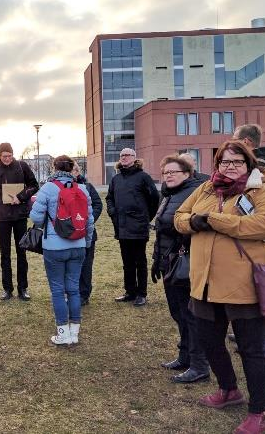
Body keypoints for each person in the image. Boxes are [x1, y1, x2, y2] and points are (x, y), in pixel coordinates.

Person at [174, 140, 265, 434]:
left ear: (248, 165)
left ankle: (259, 412)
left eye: (236, 162)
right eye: (224, 162)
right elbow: (179, 217)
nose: (230, 167)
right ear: (217, 164)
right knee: (209, 342)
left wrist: (217, 221)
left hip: (243, 284)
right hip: (205, 283)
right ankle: (228, 389)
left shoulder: (260, 191)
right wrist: (195, 221)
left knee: (251, 349)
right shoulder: (206, 188)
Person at [151, 155, 209, 383]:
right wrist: (157, 261)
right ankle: (184, 356)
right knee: (178, 314)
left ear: (187, 173)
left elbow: (193, 228)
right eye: (166, 173)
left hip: (187, 264)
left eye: (174, 172)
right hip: (169, 262)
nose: (169, 176)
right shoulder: (168, 195)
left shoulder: (193, 194)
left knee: (191, 315)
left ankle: (199, 365)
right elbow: (159, 232)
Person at [30, 155, 94, 345]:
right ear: (71, 168)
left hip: (54, 248)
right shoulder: (82, 188)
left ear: (54, 168)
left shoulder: (48, 188)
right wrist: (87, 242)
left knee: (58, 291)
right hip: (79, 246)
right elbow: (89, 221)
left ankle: (62, 333)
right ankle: (74, 333)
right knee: (73, 289)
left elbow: (35, 217)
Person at [232, 124, 265, 355]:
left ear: (247, 142)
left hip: (259, 241)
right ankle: (254, 334)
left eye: (235, 140)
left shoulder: (258, 170)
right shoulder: (252, 167)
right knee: (252, 289)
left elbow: (258, 204)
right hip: (246, 240)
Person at [106, 148, 159, 306]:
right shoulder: (116, 179)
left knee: (139, 261)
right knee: (127, 261)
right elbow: (109, 197)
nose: (124, 157)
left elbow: (154, 198)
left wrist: (146, 216)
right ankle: (130, 291)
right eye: (122, 155)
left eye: (127, 155)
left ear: (134, 158)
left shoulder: (143, 177)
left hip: (138, 227)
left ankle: (141, 294)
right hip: (121, 226)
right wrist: (112, 211)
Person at [0, 142, 39, 301]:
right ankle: (7, 289)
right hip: (2, 218)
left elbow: (34, 186)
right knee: (5, 254)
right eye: (4, 156)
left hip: (20, 216)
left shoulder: (22, 166)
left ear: (12, 154)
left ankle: (23, 288)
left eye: (9, 156)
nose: (7, 159)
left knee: (21, 252)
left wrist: (20, 197)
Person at [70, 162, 103, 306]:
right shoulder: (61, 187)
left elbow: (97, 204)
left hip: (86, 231)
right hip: (69, 232)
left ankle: (84, 294)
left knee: (86, 265)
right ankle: (71, 292)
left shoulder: (88, 187)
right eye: (71, 170)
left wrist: (88, 220)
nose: (74, 172)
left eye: (76, 170)